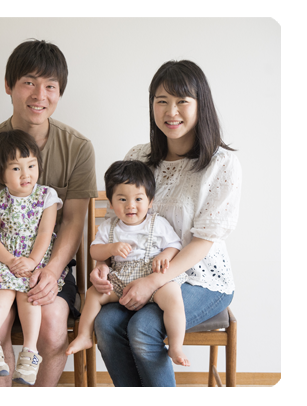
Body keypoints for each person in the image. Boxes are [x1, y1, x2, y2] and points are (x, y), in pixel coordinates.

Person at [90, 60, 242, 386]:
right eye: (162, 101)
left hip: (201, 279)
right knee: (105, 324)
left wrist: (153, 282)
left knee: (143, 328)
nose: (171, 111)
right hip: (134, 274)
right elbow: (115, 222)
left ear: (201, 105)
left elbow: (204, 241)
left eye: (182, 101)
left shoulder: (221, 164)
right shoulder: (138, 157)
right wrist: (102, 265)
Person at [0, 39, 97, 387]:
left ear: (60, 92)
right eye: (29, 83)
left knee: (52, 324)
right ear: (9, 85)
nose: (39, 95)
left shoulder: (78, 148)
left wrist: (50, 270)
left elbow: (73, 220)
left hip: (50, 265)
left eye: (50, 86)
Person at [66, 160, 190, 367]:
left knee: (173, 295)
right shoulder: (109, 227)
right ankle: (84, 335)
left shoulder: (157, 223)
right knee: (94, 294)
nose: (130, 205)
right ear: (111, 203)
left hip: (152, 278)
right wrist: (110, 249)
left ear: (150, 201)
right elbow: (94, 250)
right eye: (122, 199)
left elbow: (176, 245)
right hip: (121, 278)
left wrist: (165, 255)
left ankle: (176, 346)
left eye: (138, 199)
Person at [0, 130, 64, 385]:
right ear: (0, 174)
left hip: (35, 260)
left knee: (31, 295)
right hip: (4, 260)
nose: (26, 174)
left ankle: (30, 352)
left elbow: (45, 233)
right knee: (0, 293)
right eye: (16, 168)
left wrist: (32, 261)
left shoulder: (46, 196)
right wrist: (10, 261)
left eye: (31, 165)